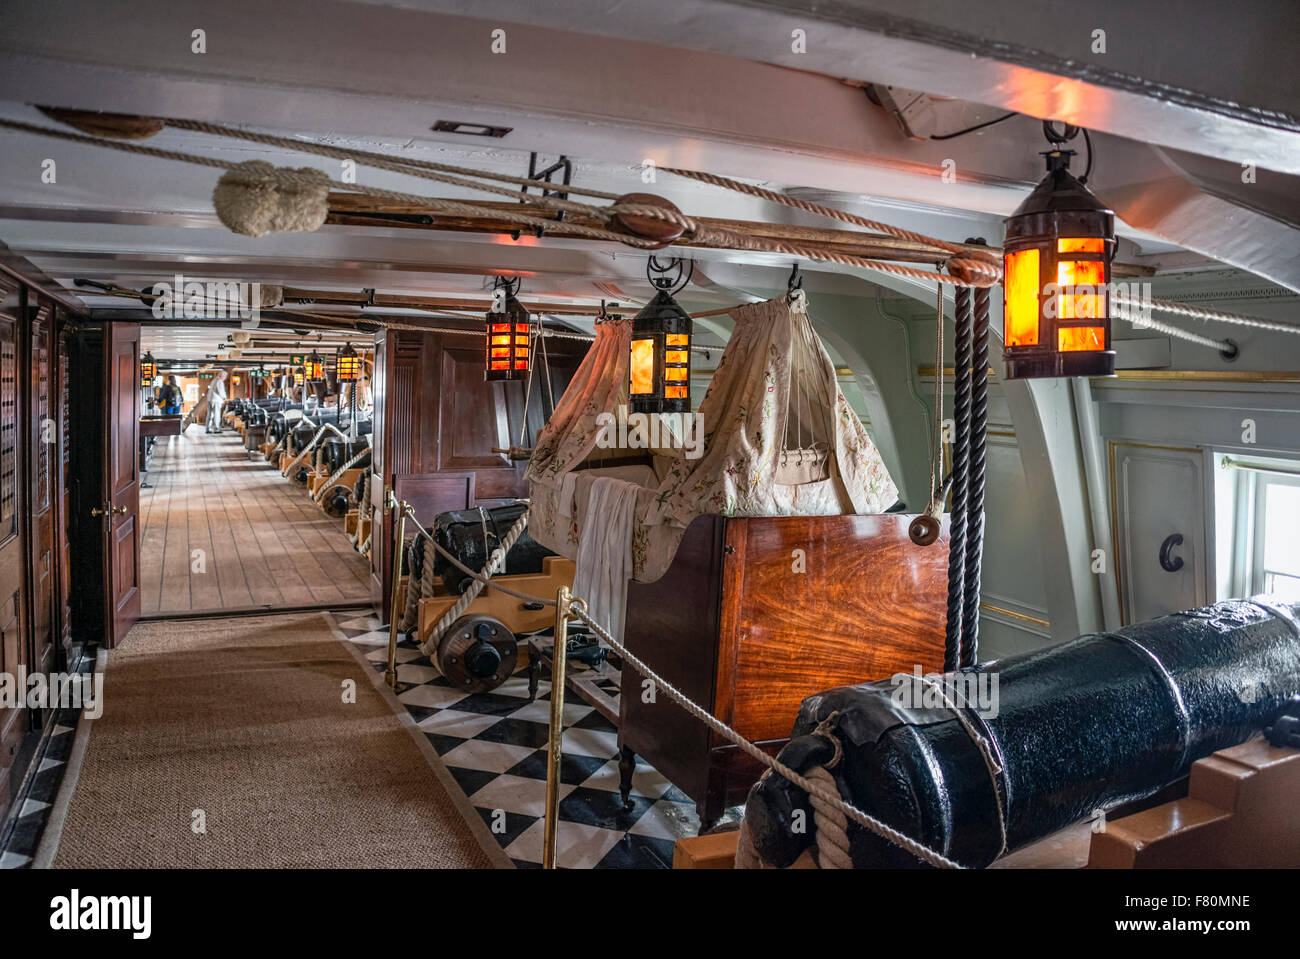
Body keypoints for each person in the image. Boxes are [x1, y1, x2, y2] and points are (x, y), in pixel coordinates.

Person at [204, 370, 228, 434]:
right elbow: (220, 391)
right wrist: (224, 398)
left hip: (210, 399)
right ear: (222, 375)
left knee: (210, 414)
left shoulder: (214, 380)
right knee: (216, 414)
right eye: (225, 376)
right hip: (216, 400)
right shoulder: (220, 381)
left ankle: (207, 428)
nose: (225, 377)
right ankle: (216, 429)